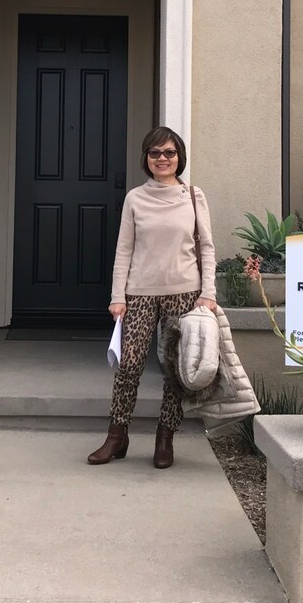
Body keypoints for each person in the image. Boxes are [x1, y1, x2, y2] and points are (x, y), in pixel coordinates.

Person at [88, 126, 217, 470]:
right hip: (140, 294)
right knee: (129, 364)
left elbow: (206, 247)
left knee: (175, 370)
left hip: (184, 293)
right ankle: (117, 436)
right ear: (146, 158)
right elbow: (124, 250)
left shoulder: (193, 196)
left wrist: (208, 293)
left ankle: (165, 437)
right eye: (155, 153)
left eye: (169, 152)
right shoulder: (135, 198)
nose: (162, 159)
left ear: (179, 157)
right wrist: (117, 296)